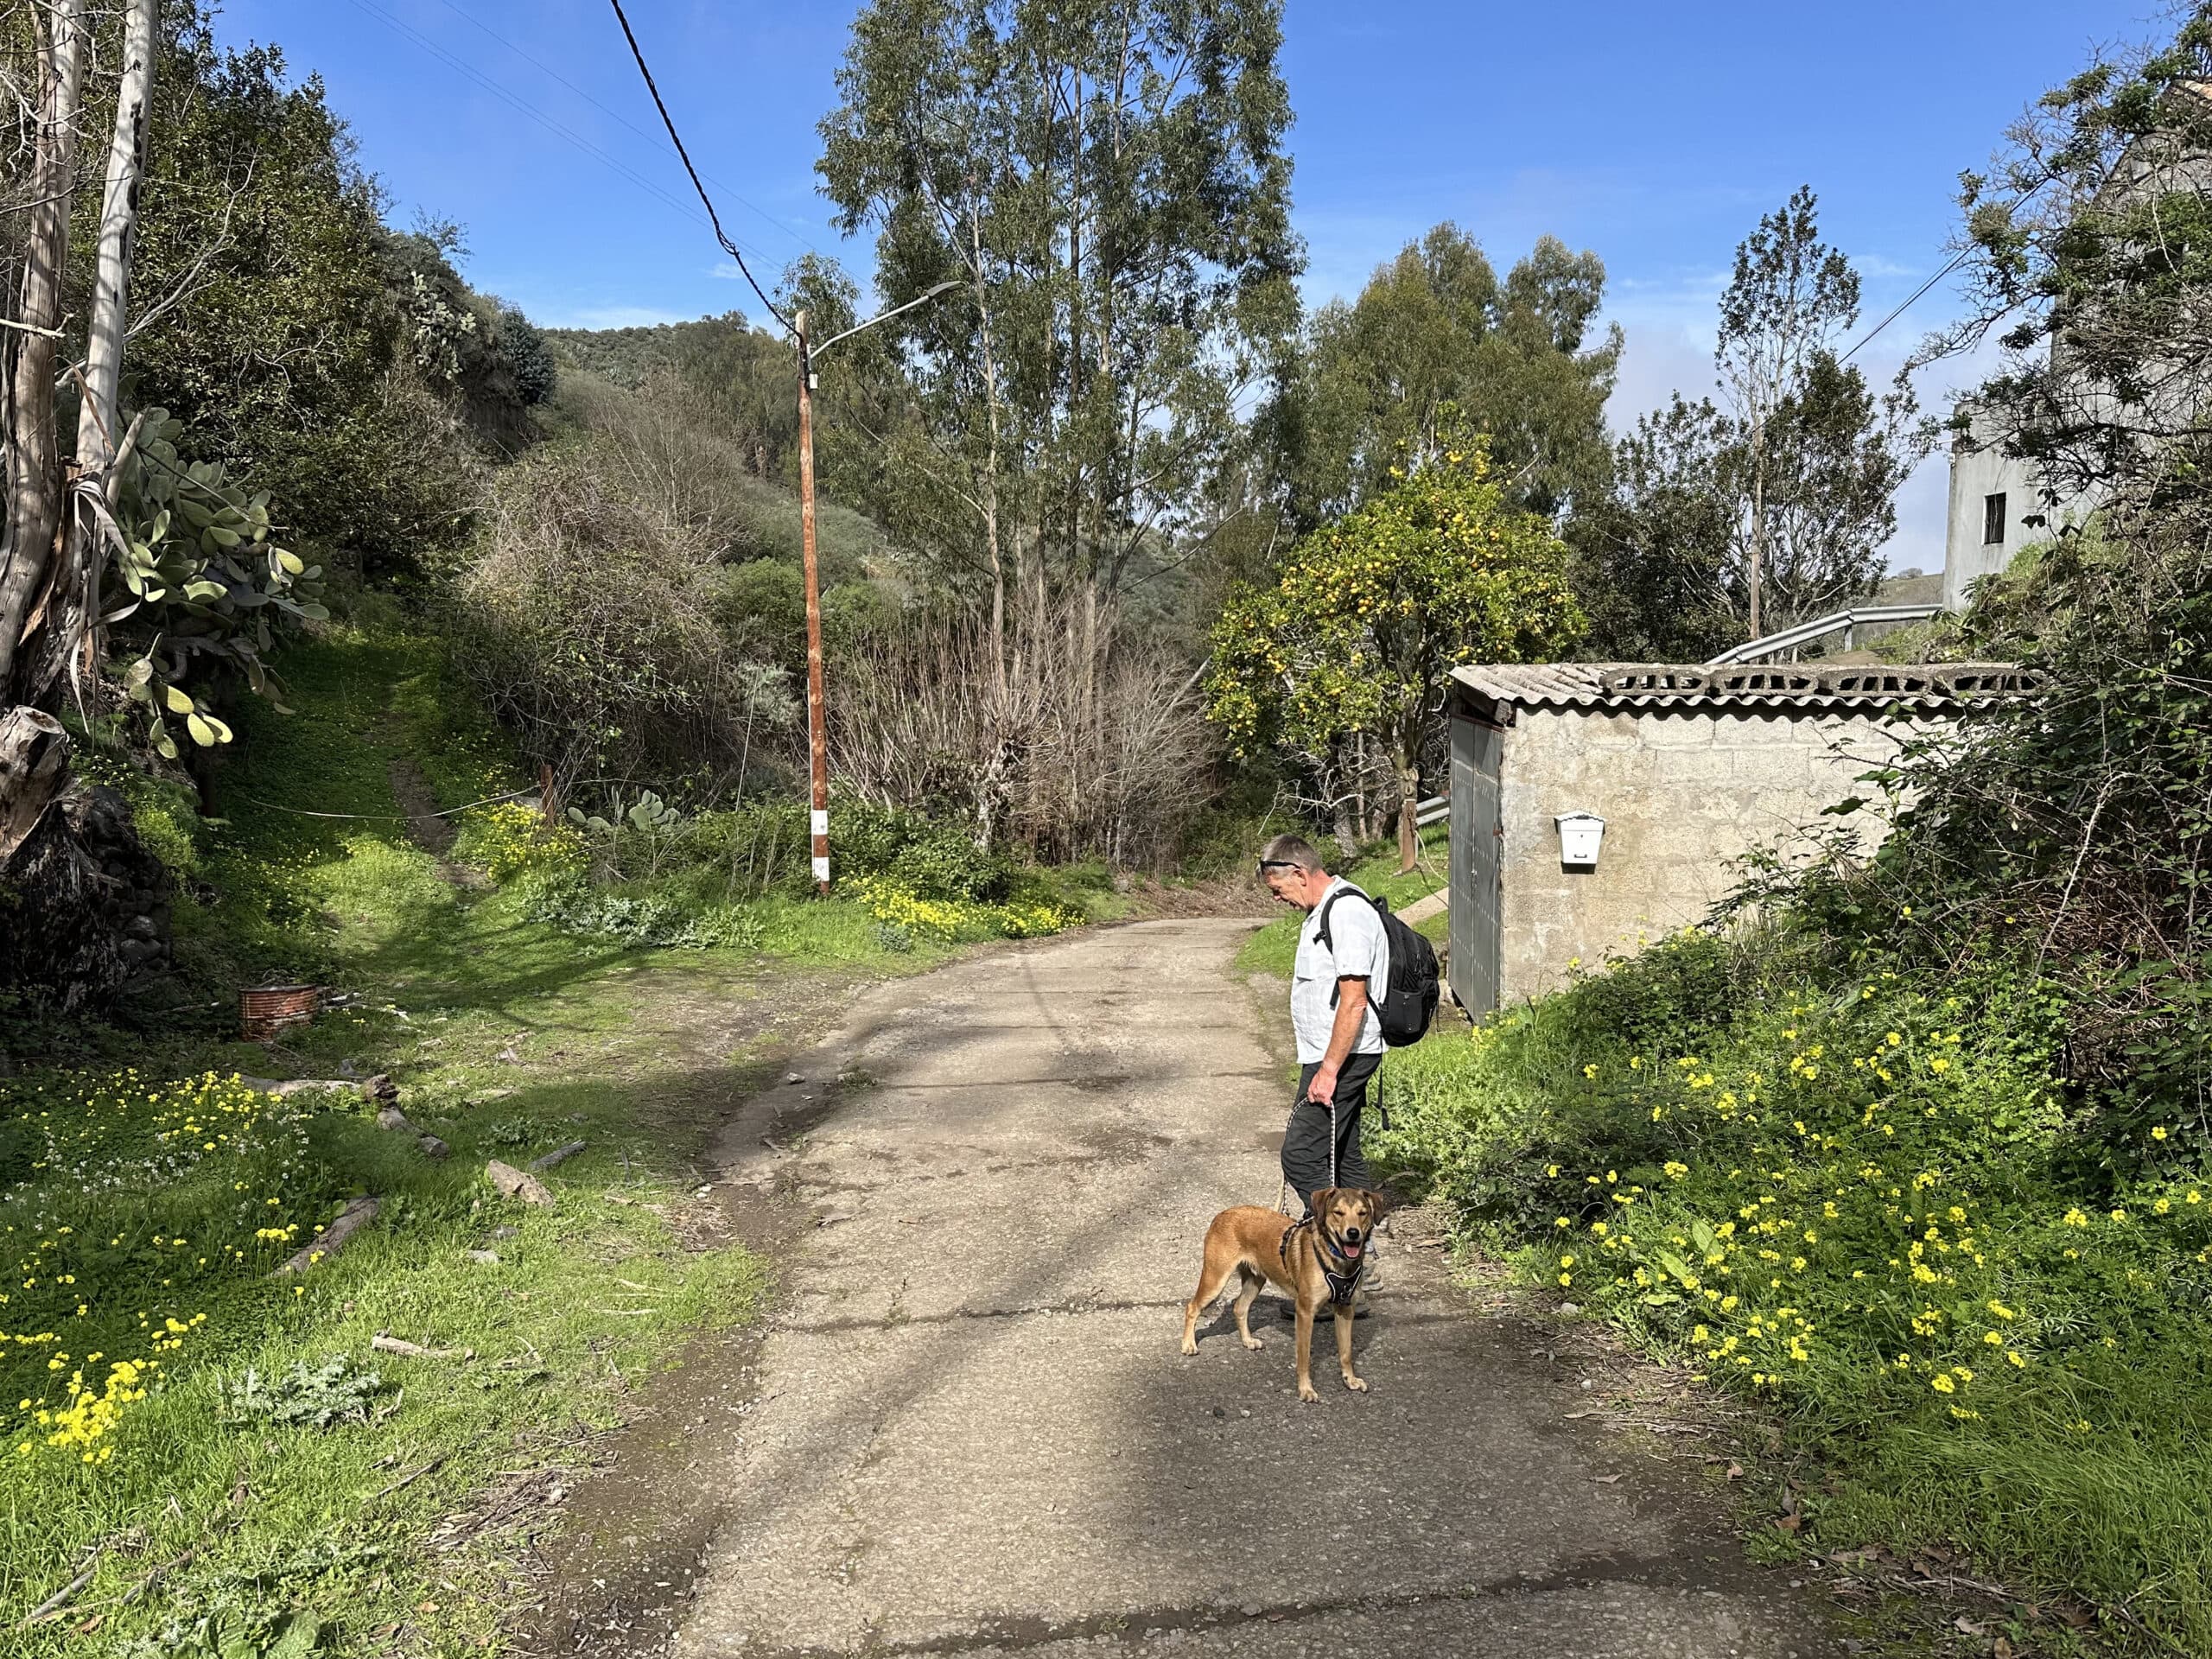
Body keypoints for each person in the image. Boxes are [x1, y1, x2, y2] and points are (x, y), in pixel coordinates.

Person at [1255, 833, 1389, 1213]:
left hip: (1344, 1055)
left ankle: (1337, 1245)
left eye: (1278, 888)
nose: (1277, 898)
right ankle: (1363, 1255)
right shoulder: (1324, 910)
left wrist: (1329, 1071)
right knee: (1342, 1151)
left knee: (1300, 1156)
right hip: (1332, 1053)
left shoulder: (1346, 913)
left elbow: (1354, 1001)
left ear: (1300, 873)